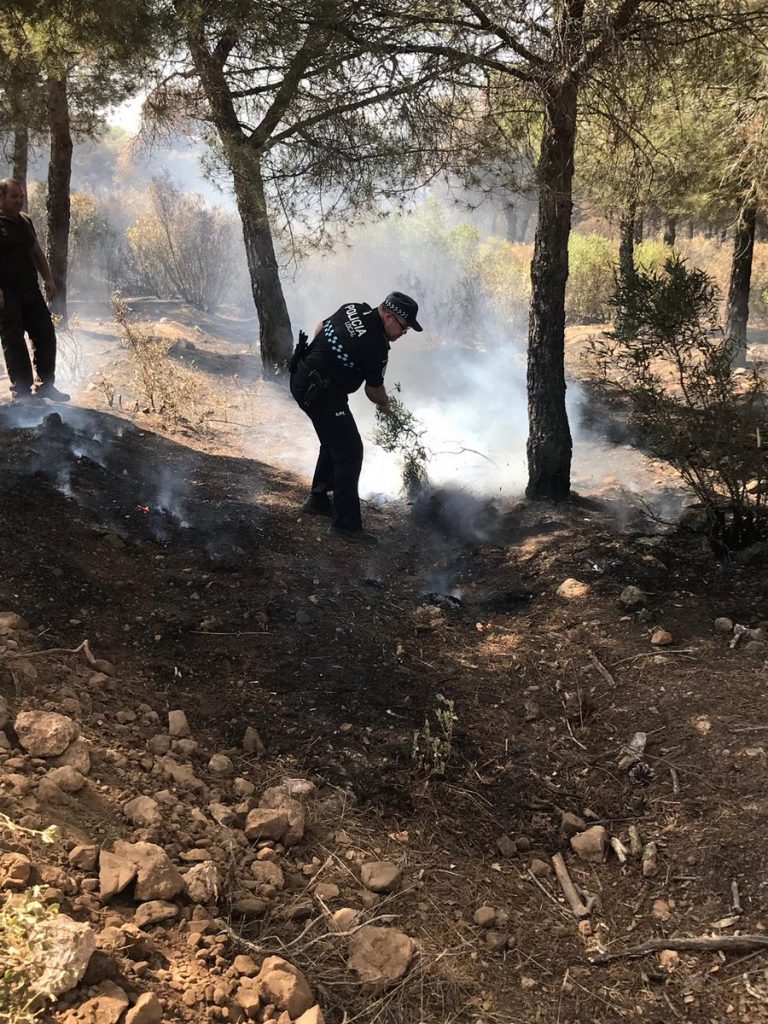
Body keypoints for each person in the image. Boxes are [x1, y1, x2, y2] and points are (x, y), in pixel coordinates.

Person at [290, 291, 423, 545]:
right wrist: (387, 406)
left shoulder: (354, 308)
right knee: (350, 451)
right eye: (403, 327)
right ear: (388, 315)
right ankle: (346, 525)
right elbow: (373, 391)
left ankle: (318, 500)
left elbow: (321, 326)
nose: (402, 334)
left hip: (301, 376)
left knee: (334, 439)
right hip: (321, 392)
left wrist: (332, 358)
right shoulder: (376, 345)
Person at [0, 177, 70, 404]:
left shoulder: (25, 221)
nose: (18, 201)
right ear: (1, 197)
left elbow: (37, 253)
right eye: (13, 196)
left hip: (29, 289)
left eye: (21, 196)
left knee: (45, 333)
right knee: (14, 340)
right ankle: (22, 392)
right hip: (6, 293)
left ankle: (45, 385)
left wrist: (48, 278)